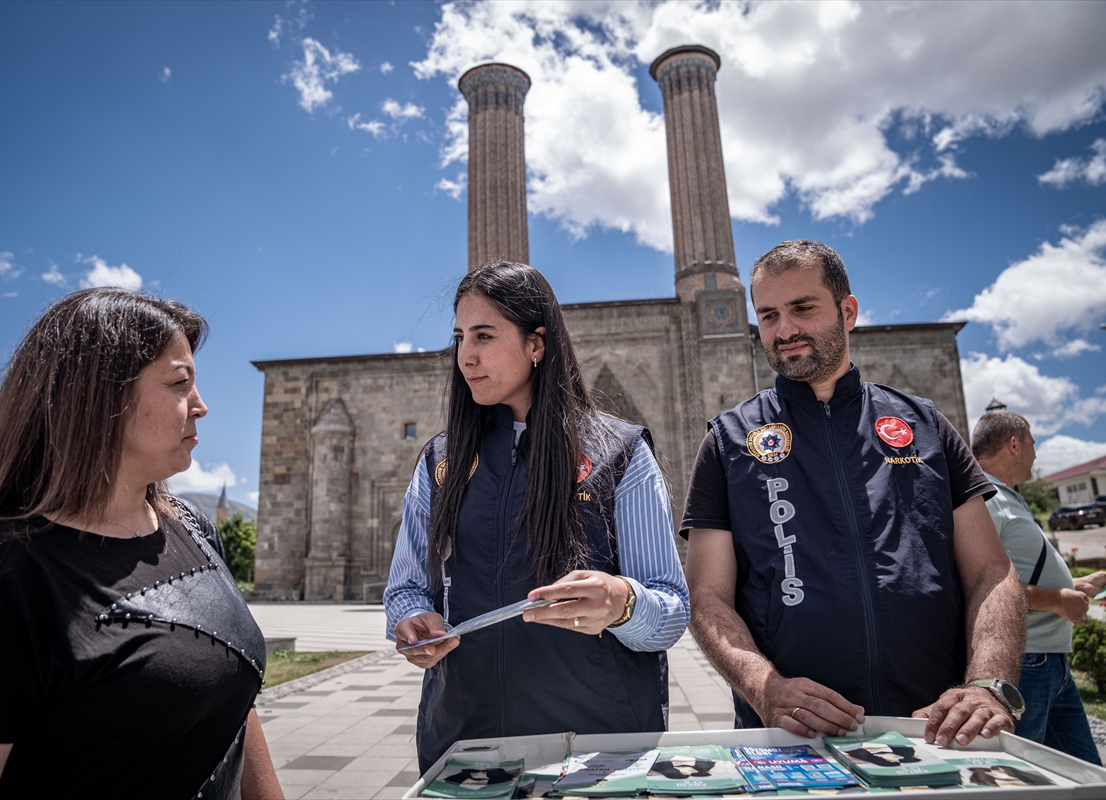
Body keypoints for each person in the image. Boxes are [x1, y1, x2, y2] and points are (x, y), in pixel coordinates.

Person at [0, 288, 284, 799]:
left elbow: (230, 700)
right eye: (180, 383)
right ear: (100, 395)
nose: (201, 406)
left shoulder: (192, 528)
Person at [681, 240, 1025, 749]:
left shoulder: (923, 426)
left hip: (933, 731)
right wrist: (766, 688)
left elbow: (991, 572)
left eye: (802, 308)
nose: (785, 329)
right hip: (791, 738)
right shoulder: (730, 441)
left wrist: (987, 684)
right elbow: (707, 596)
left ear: (848, 311)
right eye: (769, 315)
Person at [384, 261, 690, 772]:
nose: (466, 356)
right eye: (459, 337)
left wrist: (622, 603)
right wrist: (409, 621)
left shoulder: (619, 455)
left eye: (484, 335)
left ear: (536, 344)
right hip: (464, 744)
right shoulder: (441, 463)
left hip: (594, 752)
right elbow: (405, 588)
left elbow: (672, 610)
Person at [972, 410, 1106, 764]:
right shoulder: (985, 497)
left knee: (1085, 775)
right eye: (1033, 443)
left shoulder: (1007, 496)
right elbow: (979, 586)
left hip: (1050, 663)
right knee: (1017, 774)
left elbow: (1017, 573)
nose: (1036, 452)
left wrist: (1076, 584)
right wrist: (1060, 601)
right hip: (1026, 663)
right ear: (1014, 444)